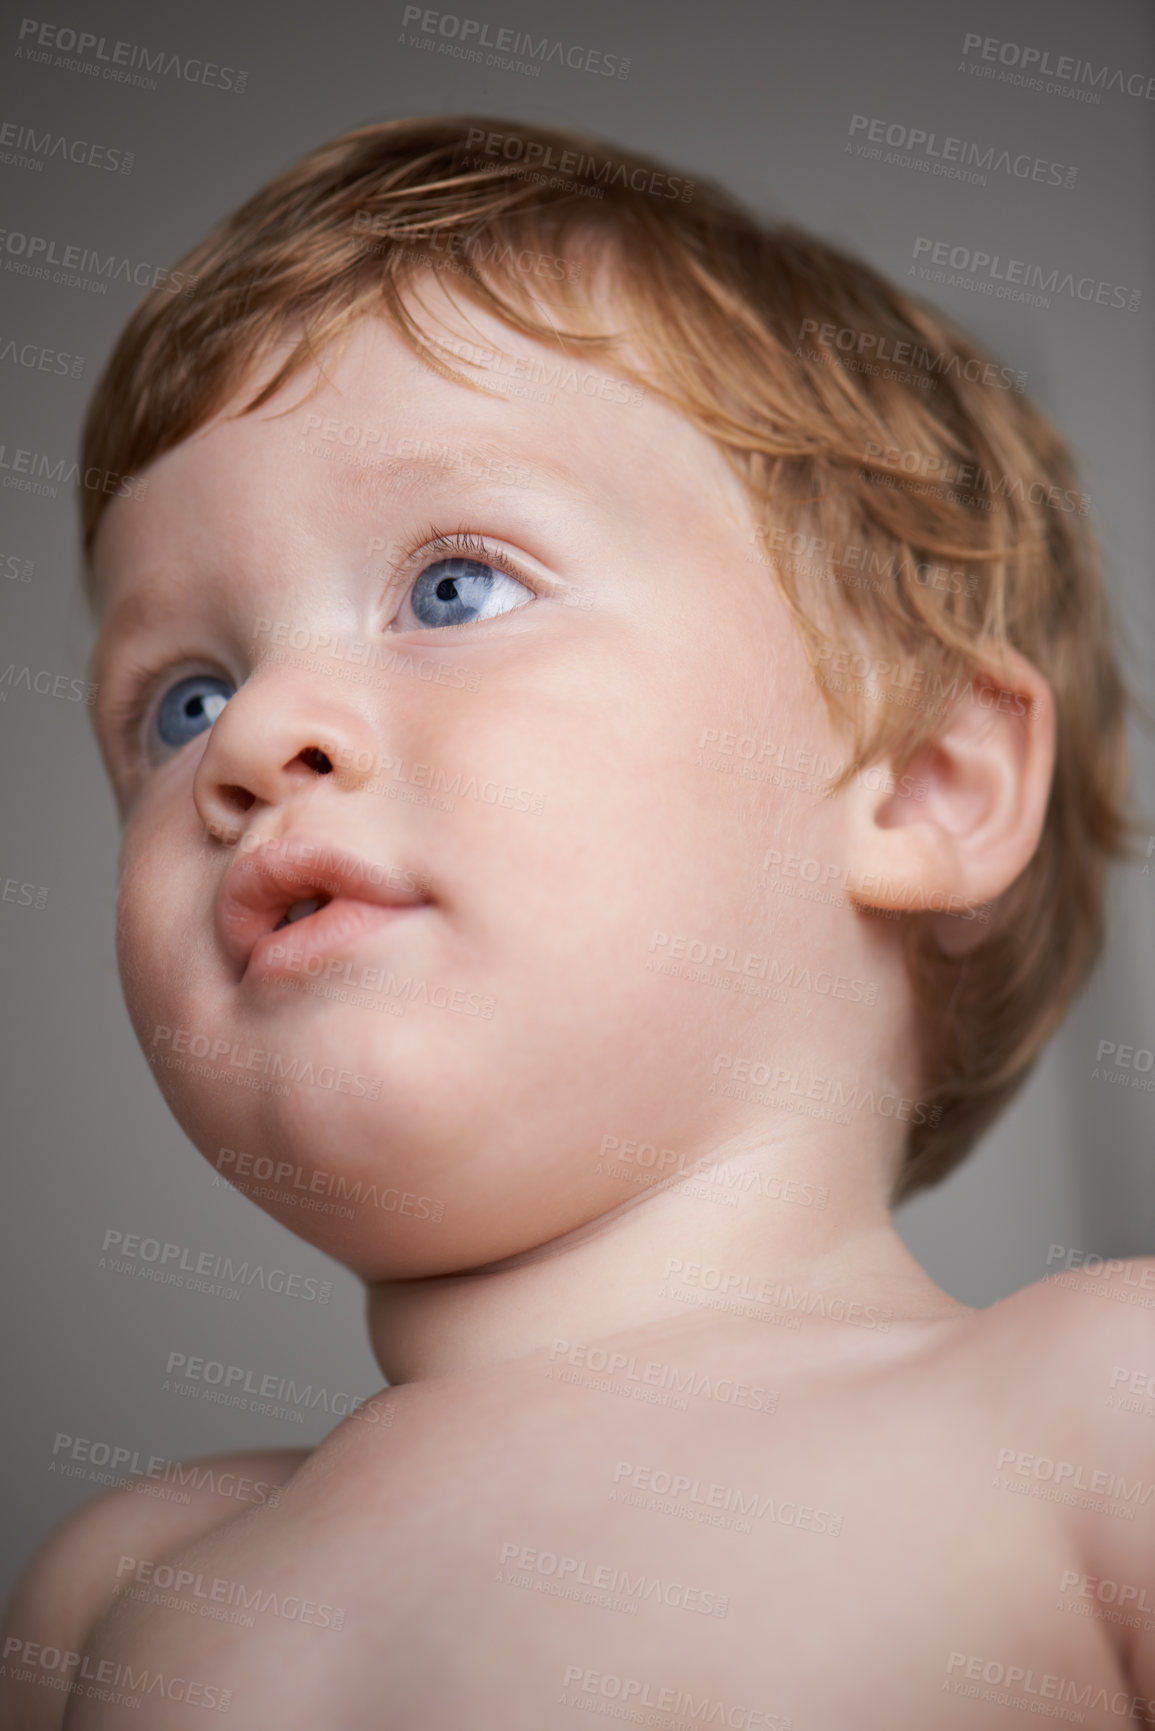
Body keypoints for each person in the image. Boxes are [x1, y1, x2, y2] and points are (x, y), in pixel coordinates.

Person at [3, 115, 1150, 1729]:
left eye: (453, 588)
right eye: (184, 698)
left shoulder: (1105, 1415)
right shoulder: (115, 1588)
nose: (258, 741)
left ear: (924, 785)